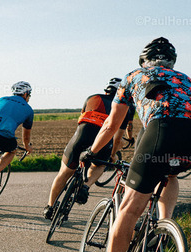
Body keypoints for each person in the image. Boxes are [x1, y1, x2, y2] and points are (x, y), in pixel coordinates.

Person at [83, 37, 191, 252]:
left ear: (143, 60)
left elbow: (112, 125)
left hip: (163, 131)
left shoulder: (133, 76)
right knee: (170, 171)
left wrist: (92, 152)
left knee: (130, 208)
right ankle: (164, 226)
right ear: (172, 62)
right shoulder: (186, 79)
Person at [43, 78, 135, 219]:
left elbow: (81, 119)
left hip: (81, 136)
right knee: (99, 166)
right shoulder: (124, 107)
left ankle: (50, 207)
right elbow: (117, 138)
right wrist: (113, 154)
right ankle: (86, 186)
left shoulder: (92, 98)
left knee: (64, 172)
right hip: (102, 142)